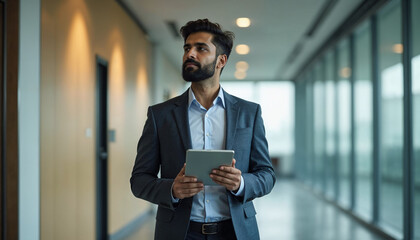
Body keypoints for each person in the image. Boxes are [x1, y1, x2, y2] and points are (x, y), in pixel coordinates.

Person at [130, 19, 275, 240]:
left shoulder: (249, 113)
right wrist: (172, 189)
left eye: (201, 48)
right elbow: (139, 180)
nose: (190, 54)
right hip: (180, 233)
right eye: (187, 48)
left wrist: (241, 183)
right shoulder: (160, 115)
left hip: (235, 232)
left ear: (221, 60)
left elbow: (266, 175)